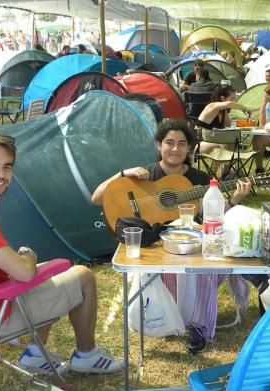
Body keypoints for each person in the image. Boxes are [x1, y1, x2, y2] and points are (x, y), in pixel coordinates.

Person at [0, 131, 122, 375]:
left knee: (47, 274)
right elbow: (25, 273)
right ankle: (86, 355)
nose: (1, 175)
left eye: (7, 167)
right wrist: (29, 255)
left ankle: (36, 356)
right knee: (82, 276)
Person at [91, 120, 251, 354]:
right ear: (159, 145)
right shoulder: (144, 175)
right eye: (169, 143)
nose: (175, 149)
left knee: (203, 265)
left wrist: (235, 200)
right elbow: (97, 198)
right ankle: (165, 314)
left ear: (189, 149)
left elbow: (215, 214)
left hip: (190, 245)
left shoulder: (200, 179)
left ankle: (198, 324)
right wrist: (122, 173)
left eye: (181, 144)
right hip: (155, 246)